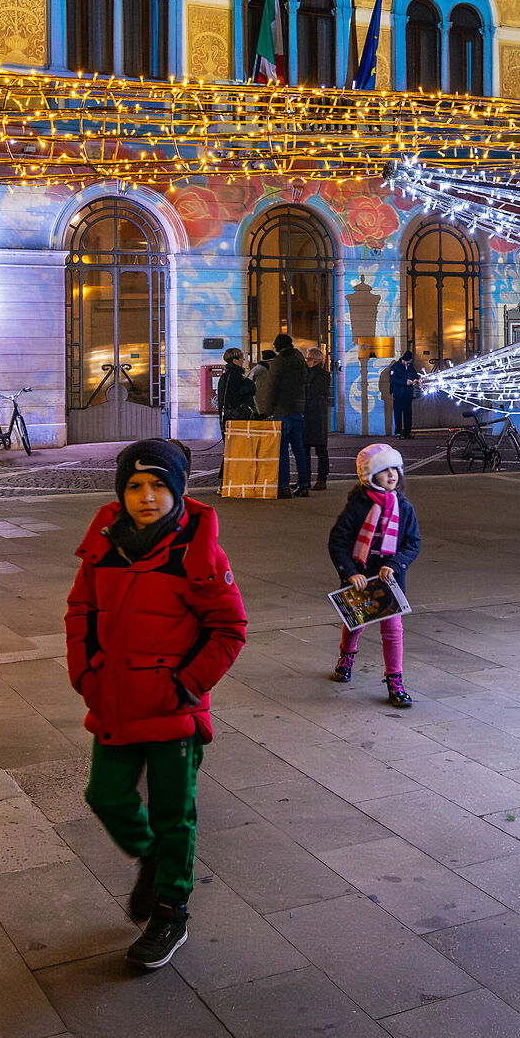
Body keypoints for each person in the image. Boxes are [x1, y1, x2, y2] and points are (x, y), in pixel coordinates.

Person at [64, 439, 248, 969]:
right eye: (135, 486)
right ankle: (150, 857)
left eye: (159, 486)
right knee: (105, 795)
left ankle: (171, 913)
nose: (147, 496)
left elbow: (229, 627)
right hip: (116, 700)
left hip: (173, 708)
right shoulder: (105, 546)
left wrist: (187, 685)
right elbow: (81, 611)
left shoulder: (198, 552)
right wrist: (86, 673)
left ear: (178, 490)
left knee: (175, 816)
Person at [327, 443, 421, 706]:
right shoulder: (357, 506)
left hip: (389, 581)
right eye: (384, 470)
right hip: (360, 578)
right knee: (355, 623)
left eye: (395, 469)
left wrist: (396, 564)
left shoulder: (404, 507)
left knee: (393, 630)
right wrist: (351, 573)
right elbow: (338, 541)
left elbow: (412, 543)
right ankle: (346, 656)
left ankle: (395, 680)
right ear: (369, 475)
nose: (392, 475)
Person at [263, 333, 310, 497]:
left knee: (282, 450)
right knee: (299, 449)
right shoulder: (300, 361)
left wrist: (266, 411)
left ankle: (283, 486)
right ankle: (304, 484)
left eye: (275, 344)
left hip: (281, 411)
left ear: (279, 345)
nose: (274, 347)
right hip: (298, 409)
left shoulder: (279, 362)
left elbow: (272, 389)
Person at [301, 346, 332, 491]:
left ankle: (321, 479)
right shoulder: (310, 373)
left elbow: (314, 391)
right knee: (306, 448)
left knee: (319, 449)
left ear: (316, 360)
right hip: (311, 414)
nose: (306, 361)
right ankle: (306, 479)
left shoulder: (322, 375)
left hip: (316, 414)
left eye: (308, 358)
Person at [215, 349, 254, 438]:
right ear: (235, 360)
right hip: (236, 417)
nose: (243, 360)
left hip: (229, 415)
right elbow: (238, 396)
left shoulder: (226, 375)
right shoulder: (235, 376)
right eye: (241, 358)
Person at [383, 350, 421, 439]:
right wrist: (405, 382)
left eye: (409, 363)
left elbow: (415, 374)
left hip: (408, 393)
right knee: (398, 413)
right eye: (407, 362)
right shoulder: (395, 367)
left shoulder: (410, 366)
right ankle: (398, 432)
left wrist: (415, 380)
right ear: (403, 360)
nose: (408, 364)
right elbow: (393, 380)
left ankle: (407, 432)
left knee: (408, 413)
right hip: (398, 394)